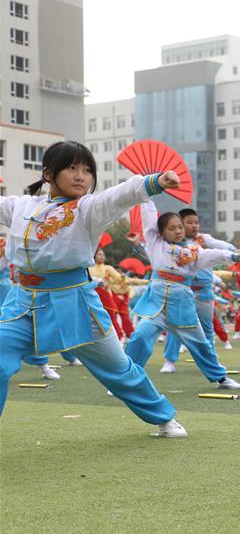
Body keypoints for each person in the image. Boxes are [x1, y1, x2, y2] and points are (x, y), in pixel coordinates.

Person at [0, 140, 187, 436]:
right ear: (48, 174)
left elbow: (118, 196)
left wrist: (154, 182)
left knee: (118, 369)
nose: (81, 176)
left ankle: (164, 417)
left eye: (87, 170)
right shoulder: (22, 206)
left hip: (74, 304)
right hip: (22, 305)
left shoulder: (88, 208)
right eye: (71, 168)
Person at [125, 199, 240, 389]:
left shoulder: (193, 251)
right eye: (172, 228)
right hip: (156, 308)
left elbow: (212, 255)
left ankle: (221, 378)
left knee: (201, 344)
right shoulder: (155, 244)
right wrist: (146, 197)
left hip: (183, 308)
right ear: (161, 232)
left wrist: (232, 256)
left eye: (180, 227)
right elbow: (148, 220)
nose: (178, 231)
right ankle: (125, 380)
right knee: (139, 336)